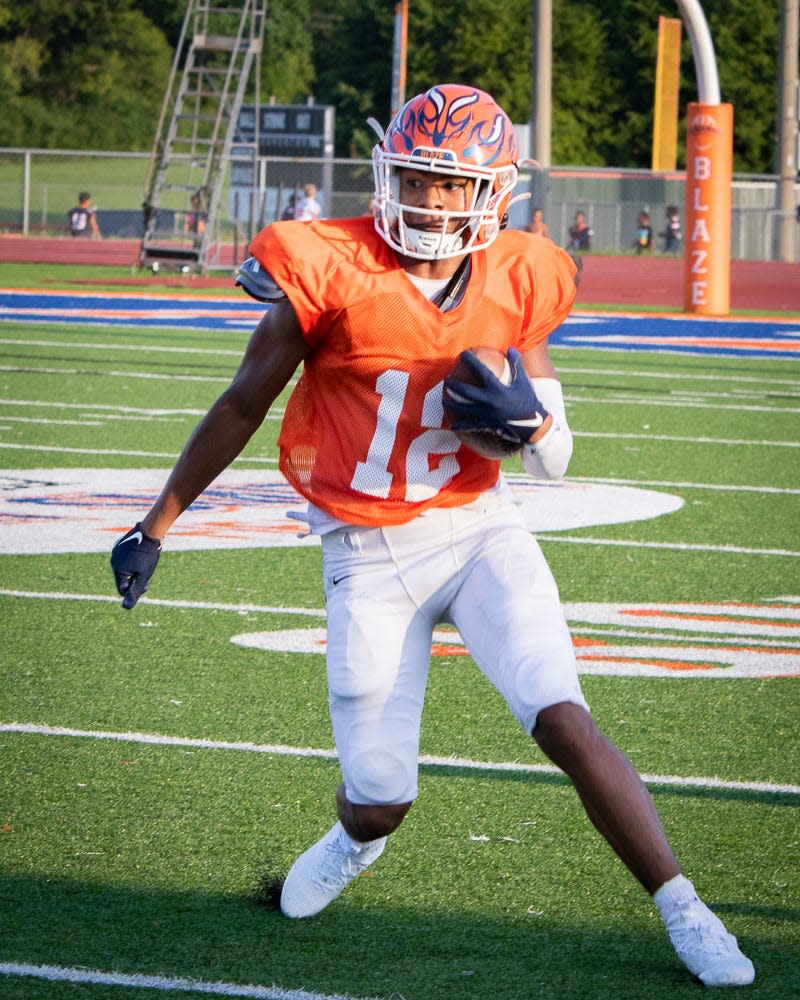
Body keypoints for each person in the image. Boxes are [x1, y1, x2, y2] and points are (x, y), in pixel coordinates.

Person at [109, 84, 754, 989]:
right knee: (381, 799)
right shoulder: (327, 265)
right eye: (416, 176)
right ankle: (353, 838)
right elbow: (243, 402)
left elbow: (554, 461)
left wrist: (530, 425)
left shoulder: (517, 272)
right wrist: (156, 525)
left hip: (480, 530)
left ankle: (685, 907)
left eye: (452, 185)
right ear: (388, 172)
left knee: (563, 716)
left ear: (494, 190)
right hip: (365, 550)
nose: (431, 200)